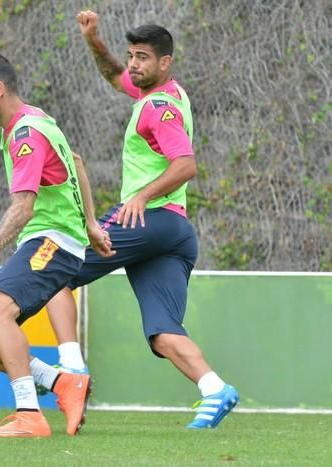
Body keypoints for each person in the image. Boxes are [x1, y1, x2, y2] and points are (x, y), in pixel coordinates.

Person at [44, 11, 239, 429]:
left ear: (164, 63)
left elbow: (186, 164)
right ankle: (215, 389)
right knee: (164, 331)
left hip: (146, 220)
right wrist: (93, 39)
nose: (133, 64)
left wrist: (140, 196)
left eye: (143, 58)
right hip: (174, 233)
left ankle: (72, 371)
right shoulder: (165, 94)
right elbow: (115, 75)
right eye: (132, 55)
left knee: (54, 273)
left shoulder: (159, 107)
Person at [0, 50, 112, 437]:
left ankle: (29, 415)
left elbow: (24, 206)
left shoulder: (25, 133)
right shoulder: (37, 120)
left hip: (52, 242)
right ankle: (61, 382)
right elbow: (77, 161)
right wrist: (90, 223)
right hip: (53, 240)